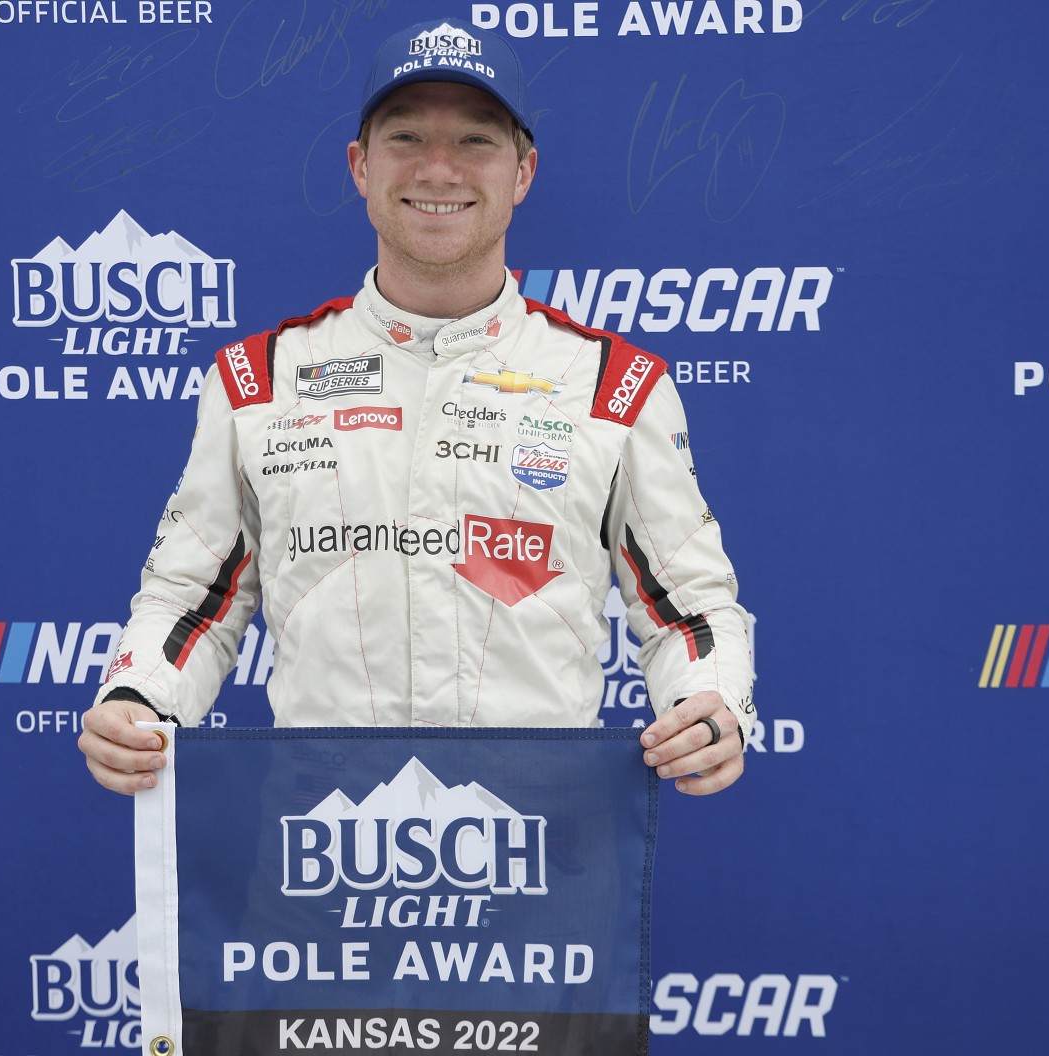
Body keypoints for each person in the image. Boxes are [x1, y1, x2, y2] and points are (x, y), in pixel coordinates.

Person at [78, 17, 755, 797]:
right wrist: (137, 698)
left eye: (476, 141)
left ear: (523, 171)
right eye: (405, 138)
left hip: (540, 851)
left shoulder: (613, 385)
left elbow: (689, 609)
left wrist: (709, 703)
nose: (439, 169)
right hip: (320, 845)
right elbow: (190, 599)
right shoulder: (260, 379)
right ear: (360, 166)